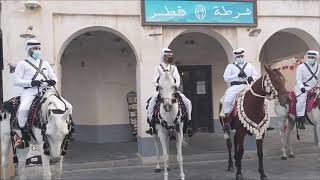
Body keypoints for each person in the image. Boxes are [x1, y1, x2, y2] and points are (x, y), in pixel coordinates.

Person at [14, 39, 57, 149]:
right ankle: (23, 137)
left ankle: (64, 131)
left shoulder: (45, 63)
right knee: (23, 109)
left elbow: (53, 76)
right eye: (35, 49)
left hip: (46, 91)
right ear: (29, 50)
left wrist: (53, 81)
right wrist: (31, 82)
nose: (37, 51)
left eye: (39, 49)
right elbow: (16, 80)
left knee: (64, 105)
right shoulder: (22, 64)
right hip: (30, 92)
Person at [146, 48, 192, 135]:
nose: (170, 57)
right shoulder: (158, 68)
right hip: (162, 91)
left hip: (172, 91)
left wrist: (175, 85)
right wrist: (157, 86)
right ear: (164, 57)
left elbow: (177, 79)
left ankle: (189, 124)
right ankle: (152, 126)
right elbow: (154, 79)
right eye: (169, 56)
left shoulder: (173, 68)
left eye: (171, 56)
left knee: (187, 102)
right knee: (151, 104)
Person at [221, 48, 258, 129]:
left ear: (244, 56)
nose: (240, 58)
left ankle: (263, 120)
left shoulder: (249, 65)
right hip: (235, 87)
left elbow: (256, 75)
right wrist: (237, 75)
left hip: (248, 86)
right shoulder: (230, 66)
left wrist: (252, 77)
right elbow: (226, 78)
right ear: (235, 57)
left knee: (263, 100)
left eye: (241, 56)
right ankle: (226, 120)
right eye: (238, 56)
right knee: (227, 100)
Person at [295, 50, 320, 129]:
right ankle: (300, 119)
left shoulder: (319, 67)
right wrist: (302, 88)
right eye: (309, 57)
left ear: (316, 58)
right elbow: (298, 80)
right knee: (301, 101)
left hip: (315, 88)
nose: (310, 58)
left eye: (312, 57)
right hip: (303, 87)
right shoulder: (301, 67)